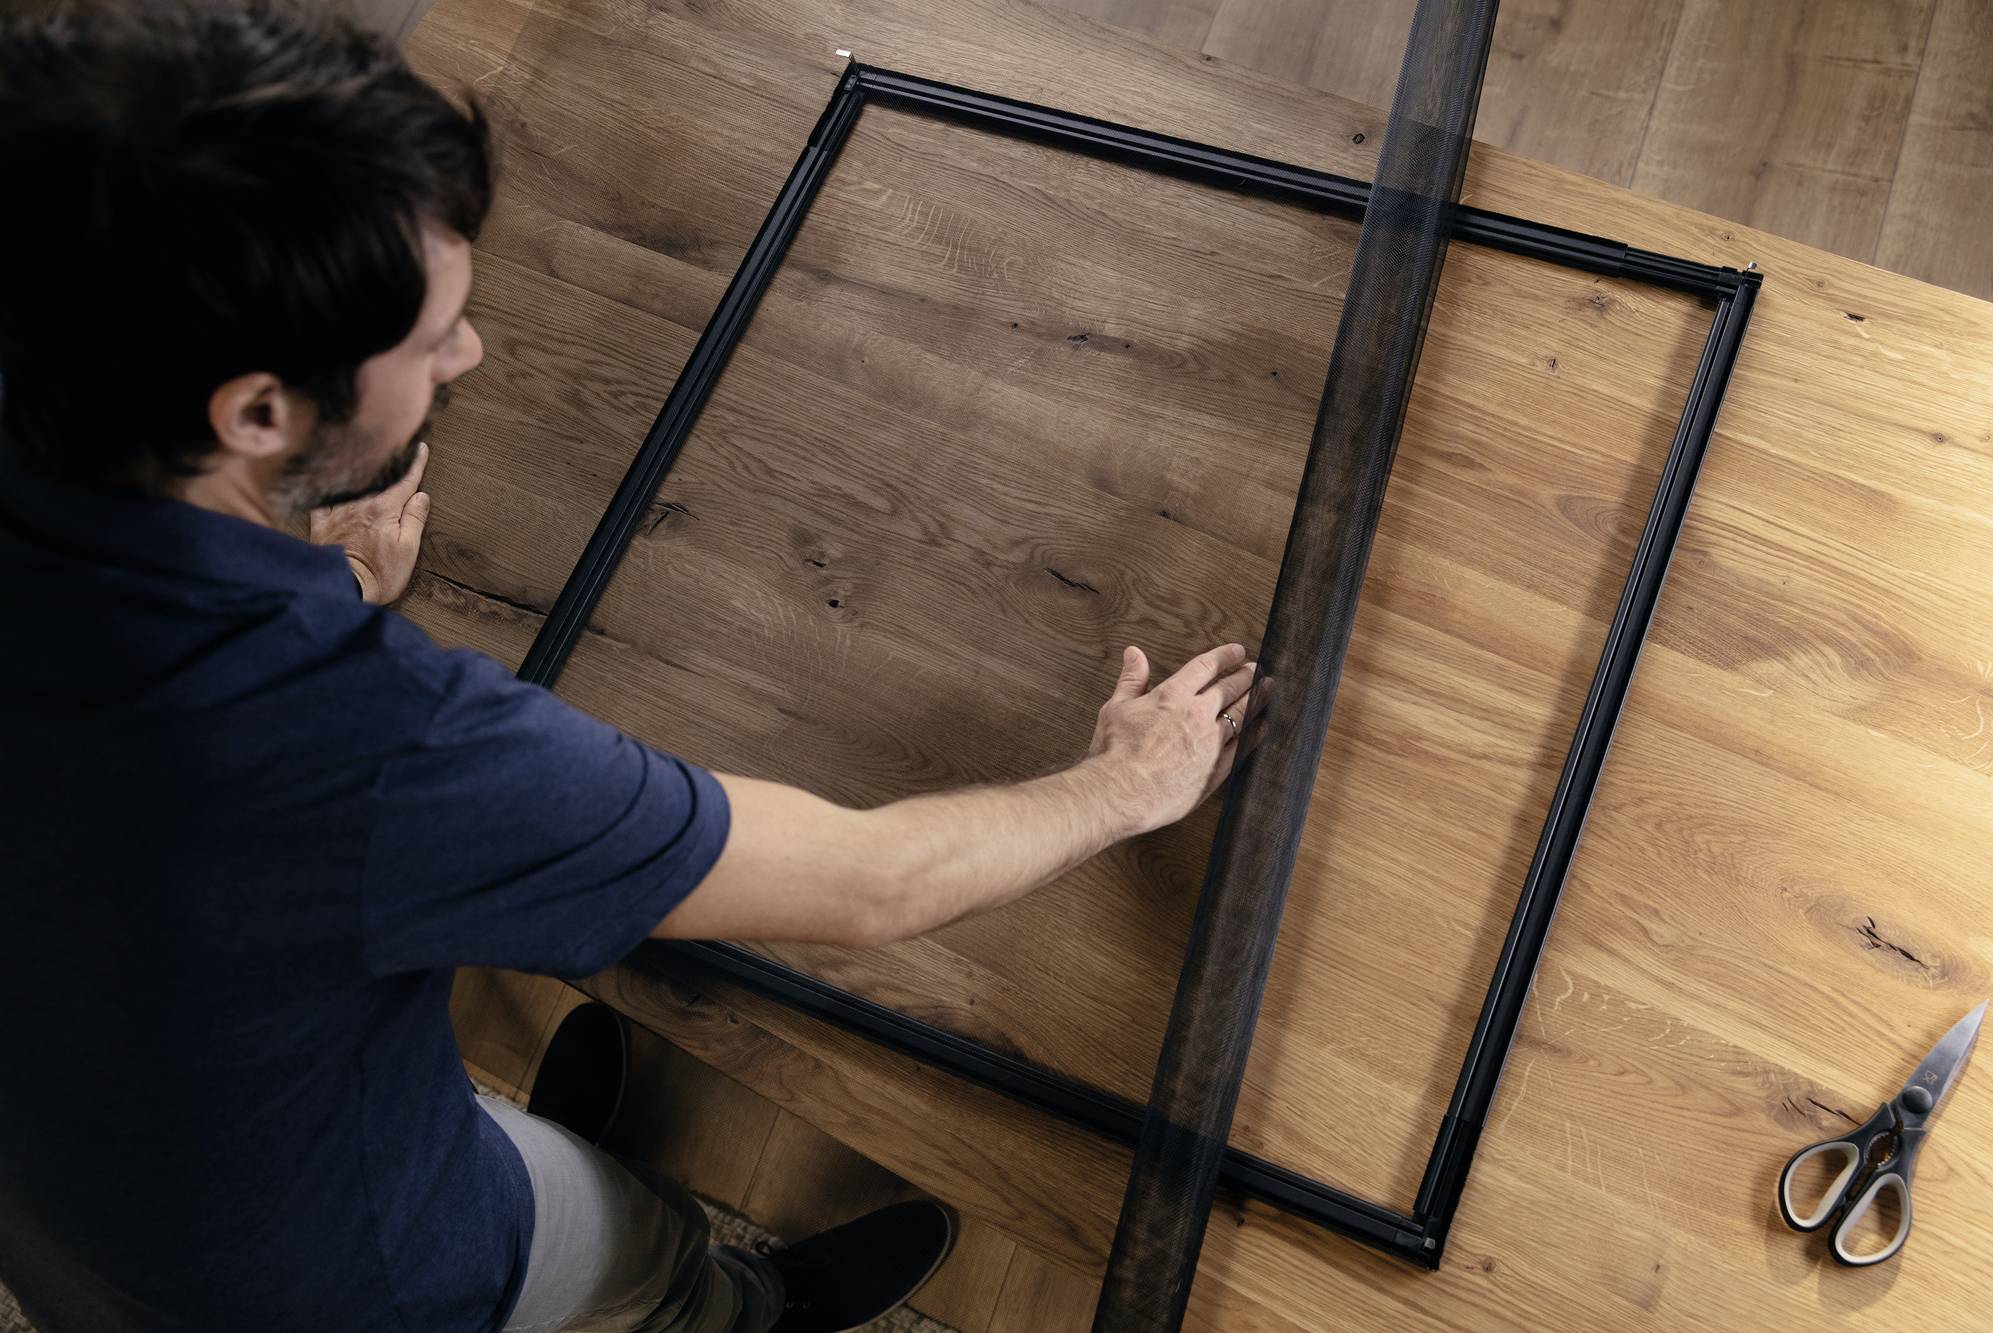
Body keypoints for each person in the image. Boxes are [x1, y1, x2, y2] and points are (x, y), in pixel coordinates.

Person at [0, 3, 1255, 1331]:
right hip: (326, 1285)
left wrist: (334, 574)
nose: (470, 353)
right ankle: (733, 1300)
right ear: (256, 413)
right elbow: (875, 882)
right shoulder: (373, 751)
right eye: (433, 340)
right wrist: (1127, 781)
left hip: (60, 1208)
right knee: (638, 1247)